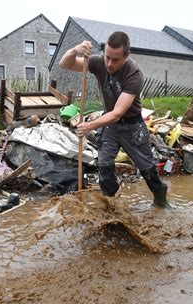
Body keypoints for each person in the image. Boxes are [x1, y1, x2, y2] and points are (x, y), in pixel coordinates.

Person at [59, 31, 170, 208]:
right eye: (107, 57)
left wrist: (89, 125)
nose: (109, 64)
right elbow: (65, 64)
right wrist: (75, 50)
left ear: (127, 55)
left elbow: (118, 112)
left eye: (115, 60)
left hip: (132, 125)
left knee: (147, 168)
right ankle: (110, 202)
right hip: (109, 125)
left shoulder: (134, 74)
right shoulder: (97, 61)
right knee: (104, 164)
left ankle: (160, 200)